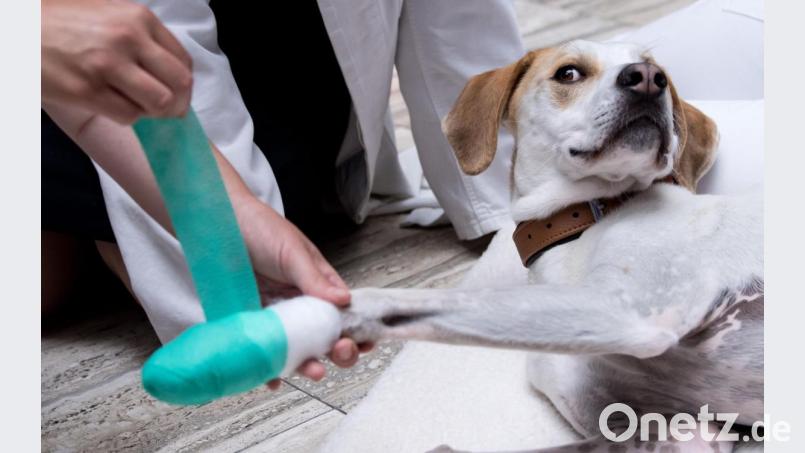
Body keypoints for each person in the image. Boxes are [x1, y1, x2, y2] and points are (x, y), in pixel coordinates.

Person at [41, 0, 525, 381]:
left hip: (279, 86)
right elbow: (126, 65)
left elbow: (461, 21)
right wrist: (223, 264)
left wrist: (510, 198)